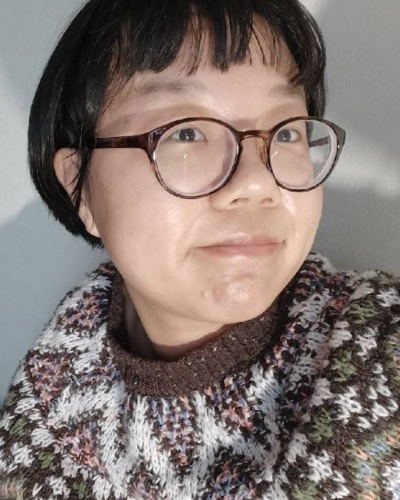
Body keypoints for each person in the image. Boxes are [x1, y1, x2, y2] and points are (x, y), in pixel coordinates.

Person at [1, 0, 399, 498]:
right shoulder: (47, 395)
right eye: (186, 133)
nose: (257, 183)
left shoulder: (379, 353)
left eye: (288, 131)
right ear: (79, 186)